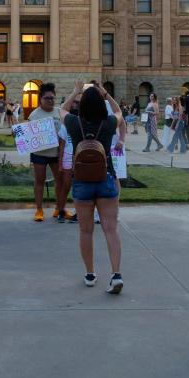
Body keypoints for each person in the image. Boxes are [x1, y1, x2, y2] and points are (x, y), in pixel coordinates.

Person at [60, 82, 125, 293]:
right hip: (105, 178)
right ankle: (116, 275)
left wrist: (75, 91)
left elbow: (62, 110)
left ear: (82, 105)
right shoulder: (107, 123)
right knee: (111, 229)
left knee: (85, 231)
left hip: (82, 182)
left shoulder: (73, 123)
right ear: (101, 104)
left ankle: (89, 274)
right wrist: (106, 93)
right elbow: (119, 113)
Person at [29, 83, 61, 222]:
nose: (51, 101)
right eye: (47, 98)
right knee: (39, 180)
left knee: (59, 181)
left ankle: (59, 208)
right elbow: (28, 136)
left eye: (53, 98)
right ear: (40, 99)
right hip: (39, 154)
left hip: (56, 153)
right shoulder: (34, 115)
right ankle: (39, 209)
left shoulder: (60, 112)